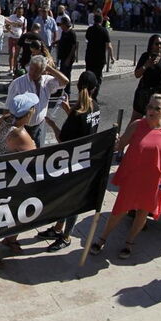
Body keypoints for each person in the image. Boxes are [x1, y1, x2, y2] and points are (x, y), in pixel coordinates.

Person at [89, 94, 161, 259]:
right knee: (120, 209)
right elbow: (119, 146)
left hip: (154, 180)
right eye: (150, 107)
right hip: (134, 177)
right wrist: (113, 140)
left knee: (143, 212)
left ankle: (129, 242)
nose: (151, 111)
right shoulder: (137, 125)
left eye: (157, 108)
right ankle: (102, 239)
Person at [37, 71, 101, 251]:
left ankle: (66, 236)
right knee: (68, 198)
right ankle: (58, 228)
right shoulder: (95, 107)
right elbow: (84, 126)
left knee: (71, 201)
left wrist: (52, 125)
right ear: (94, 89)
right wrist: (68, 111)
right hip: (84, 158)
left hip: (72, 161)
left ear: (79, 86)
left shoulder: (78, 112)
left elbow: (62, 139)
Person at [0, 92, 39, 264]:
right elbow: (35, 156)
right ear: (27, 113)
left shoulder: (2, 122)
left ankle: (9, 239)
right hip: (13, 179)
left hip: (2, 175)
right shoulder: (20, 134)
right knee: (9, 214)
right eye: (32, 109)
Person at [6, 54, 69, 148]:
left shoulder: (47, 81)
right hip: (22, 127)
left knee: (38, 151)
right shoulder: (18, 83)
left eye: (36, 71)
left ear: (43, 71)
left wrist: (50, 68)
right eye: (31, 69)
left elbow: (65, 81)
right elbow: (8, 107)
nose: (32, 73)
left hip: (39, 125)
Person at [131, 35, 161, 123]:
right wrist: (146, 65)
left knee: (158, 121)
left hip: (158, 96)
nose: (159, 46)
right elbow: (137, 74)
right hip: (143, 94)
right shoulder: (145, 56)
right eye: (157, 44)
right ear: (151, 45)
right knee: (136, 120)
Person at [84, 13, 114, 98]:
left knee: (89, 76)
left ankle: (87, 95)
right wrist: (112, 57)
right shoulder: (104, 31)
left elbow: (87, 39)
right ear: (101, 21)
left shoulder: (89, 29)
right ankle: (94, 96)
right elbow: (109, 46)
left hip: (89, 56)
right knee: (97, 77)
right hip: (99, 58)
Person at [55, 17, 77, 94]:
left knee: (66, 75)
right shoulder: (64, 32)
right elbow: (62, 41)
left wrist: (69, 59)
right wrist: (56, 42)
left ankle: (67, 91)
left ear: (65, 24)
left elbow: (74, 47)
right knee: (61, 74)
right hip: (62, 57)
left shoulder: (71, 33)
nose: (61, 26)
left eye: (62, 24)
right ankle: (60, 90)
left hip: (68, 58)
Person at [5, 5, 26, 75]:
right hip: (11, 37)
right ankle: (11, 69)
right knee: (12, 53)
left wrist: (23, 35)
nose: (19, 13)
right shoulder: (11, 17)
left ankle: (15, 68)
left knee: (16, 54)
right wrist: (10, 30)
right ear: (16, 11)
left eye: (20, 12)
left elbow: (24, 29)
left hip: (19, 38)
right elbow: (7, 25)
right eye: (18, 12)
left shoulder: (24, 19)